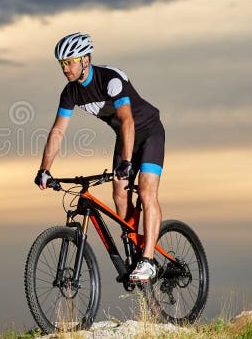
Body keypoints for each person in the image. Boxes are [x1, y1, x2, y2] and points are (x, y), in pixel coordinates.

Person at [34, 32, 166, 282]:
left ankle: (148, 260)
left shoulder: (111, 79)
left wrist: (126, 162)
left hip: (148, 132)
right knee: (119, 194)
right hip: (125, 137)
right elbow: (58, 130)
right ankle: (134, 243)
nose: (65, 68)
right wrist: (44, 169)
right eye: (61, 64)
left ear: (85, 59)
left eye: (70, 61)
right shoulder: (70, 93)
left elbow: (127, 120)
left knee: (147, 192)